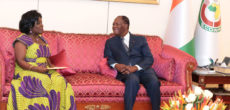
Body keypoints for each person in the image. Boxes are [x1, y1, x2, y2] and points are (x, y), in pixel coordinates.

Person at [7, 10, 76, 110]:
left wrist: (52, 66)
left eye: (41, 22)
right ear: (30, 26)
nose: (42, 25)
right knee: (43, 80)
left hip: (44, 69)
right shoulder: (22, 40)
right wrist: (36, 69)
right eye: (38, 23)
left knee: (60, 80)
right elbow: (20, 61)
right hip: (27, 70)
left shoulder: (42, 39)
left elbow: (46, 57)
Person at [104, 16, 161, 110]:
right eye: (113, 24)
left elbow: (149, 58)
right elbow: (108, 58)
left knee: (154, 81)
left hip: (143, 70)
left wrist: (135, 67)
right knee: (132, 80)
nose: (114, 26)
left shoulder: (140, 39)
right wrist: (117, 65)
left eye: (117, 24)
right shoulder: (110, 42)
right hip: (125, 72)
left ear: (126, 25)